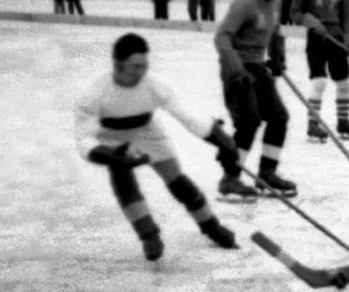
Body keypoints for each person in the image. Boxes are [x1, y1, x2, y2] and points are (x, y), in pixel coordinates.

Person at [75, 33, 240, 261]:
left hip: (146, 130)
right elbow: (84, 138)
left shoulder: (153, 85)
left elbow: (187, 115)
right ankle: (149, 234)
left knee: (176, 178)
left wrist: (219, 139)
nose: (141, 72)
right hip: (111, 136)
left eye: (144, 65)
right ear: (117, 65)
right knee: (122, 177)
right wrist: (110, 156)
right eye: (134, 67)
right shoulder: (95, 93)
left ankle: (211, 226)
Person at [214, 0, 295, 200]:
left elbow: (274, 32)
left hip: (258, 67)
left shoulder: (276, 1)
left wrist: (278, 57)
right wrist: (236, 69)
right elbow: (222, 36)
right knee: (249, 121)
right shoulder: (244, 2)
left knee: (278, 117)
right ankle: (230, 177)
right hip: (237, 69)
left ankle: (267, 173)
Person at [290, 0, 349, 142]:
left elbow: (346, 19)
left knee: (344, 83)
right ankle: (313, 125)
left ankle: (343, 122)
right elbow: (294, 13)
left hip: (336, 40)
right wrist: (312, 22)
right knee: (319, 82)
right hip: (317, 39)